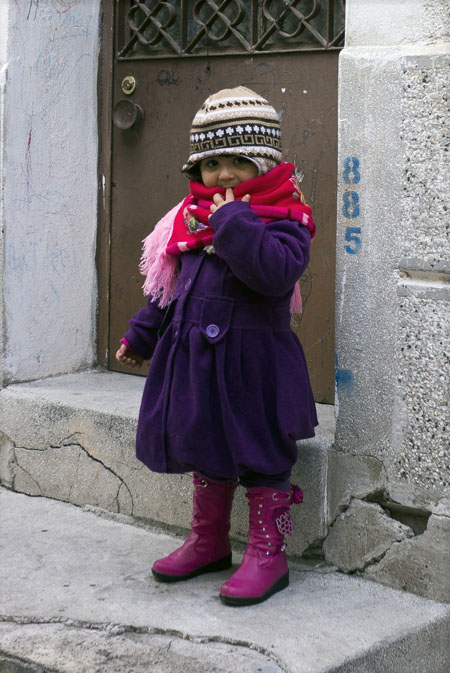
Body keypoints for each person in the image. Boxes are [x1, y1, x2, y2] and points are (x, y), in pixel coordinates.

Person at [116, 86, 318, 606]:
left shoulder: (286, 218)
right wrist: (141, 333)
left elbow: (274, 274)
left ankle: (268, 554)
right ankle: (207, 541)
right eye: (211, 162)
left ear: (266, 164)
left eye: (238, 161)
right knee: (205, 446)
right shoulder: (188, 219)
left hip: (255, 366)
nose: (223, 174)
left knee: (261, 452)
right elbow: (168, 288)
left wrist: (233, 222)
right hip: (197, 362)